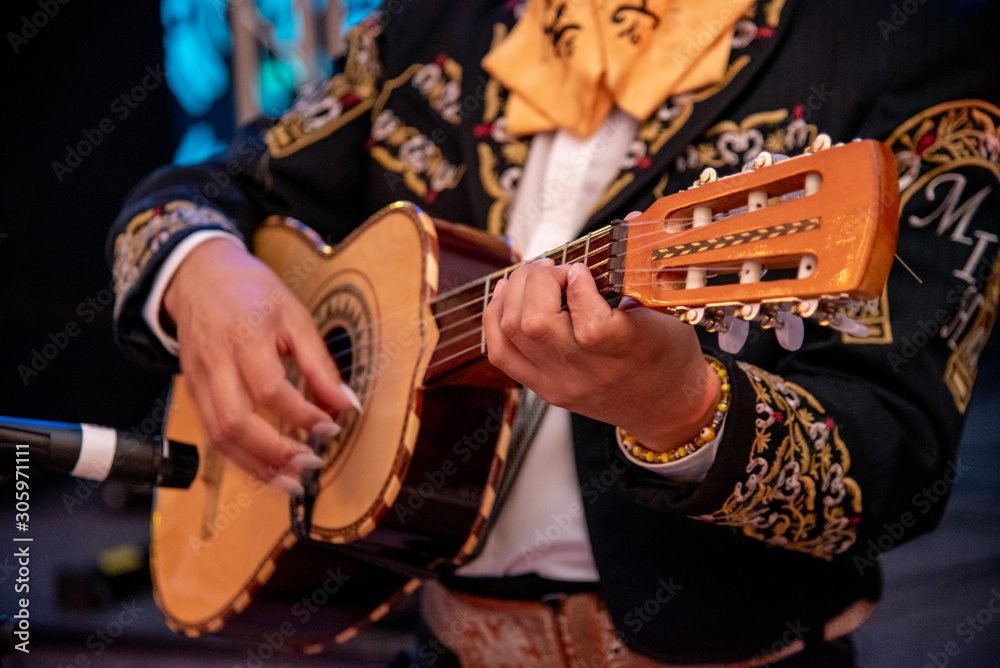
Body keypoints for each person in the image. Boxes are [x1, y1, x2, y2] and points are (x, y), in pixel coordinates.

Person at [108, 0, 1000, 665]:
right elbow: (215, 184)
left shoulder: (907, 40)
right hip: (441, 643)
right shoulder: (437, 22)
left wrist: (681, 408)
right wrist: (199, 266)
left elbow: (895, 467)